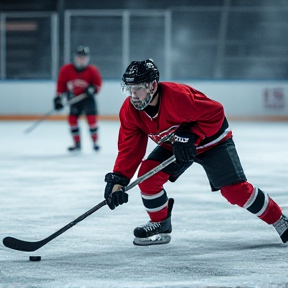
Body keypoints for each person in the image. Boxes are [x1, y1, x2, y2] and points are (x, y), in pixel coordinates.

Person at [103, 59, 288, 246]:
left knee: (235, 192)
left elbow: (216, 112)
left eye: (137, 89)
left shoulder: (178, 96)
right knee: (148, 175)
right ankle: (160, 223)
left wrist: (192, 134)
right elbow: (130, 149)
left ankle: (280, 220)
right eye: (129, 89)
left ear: (152, 86)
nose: (133, 95)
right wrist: (119, 180)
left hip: (212, 141)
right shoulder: (130, 111)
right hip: (176, 144)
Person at [53, 46, 102, 151]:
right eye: (80, 57)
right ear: (75, 57)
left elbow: (98, 85)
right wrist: (58, 98)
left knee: (92, 120)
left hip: (88, 99)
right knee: (72, 120)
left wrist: (92, 89)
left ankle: (95, 142)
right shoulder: (66, 70)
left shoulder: (92, 70)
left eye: (84, 57)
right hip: (74, 98)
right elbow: (61, 85)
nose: (82, 59)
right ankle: (77, 143)